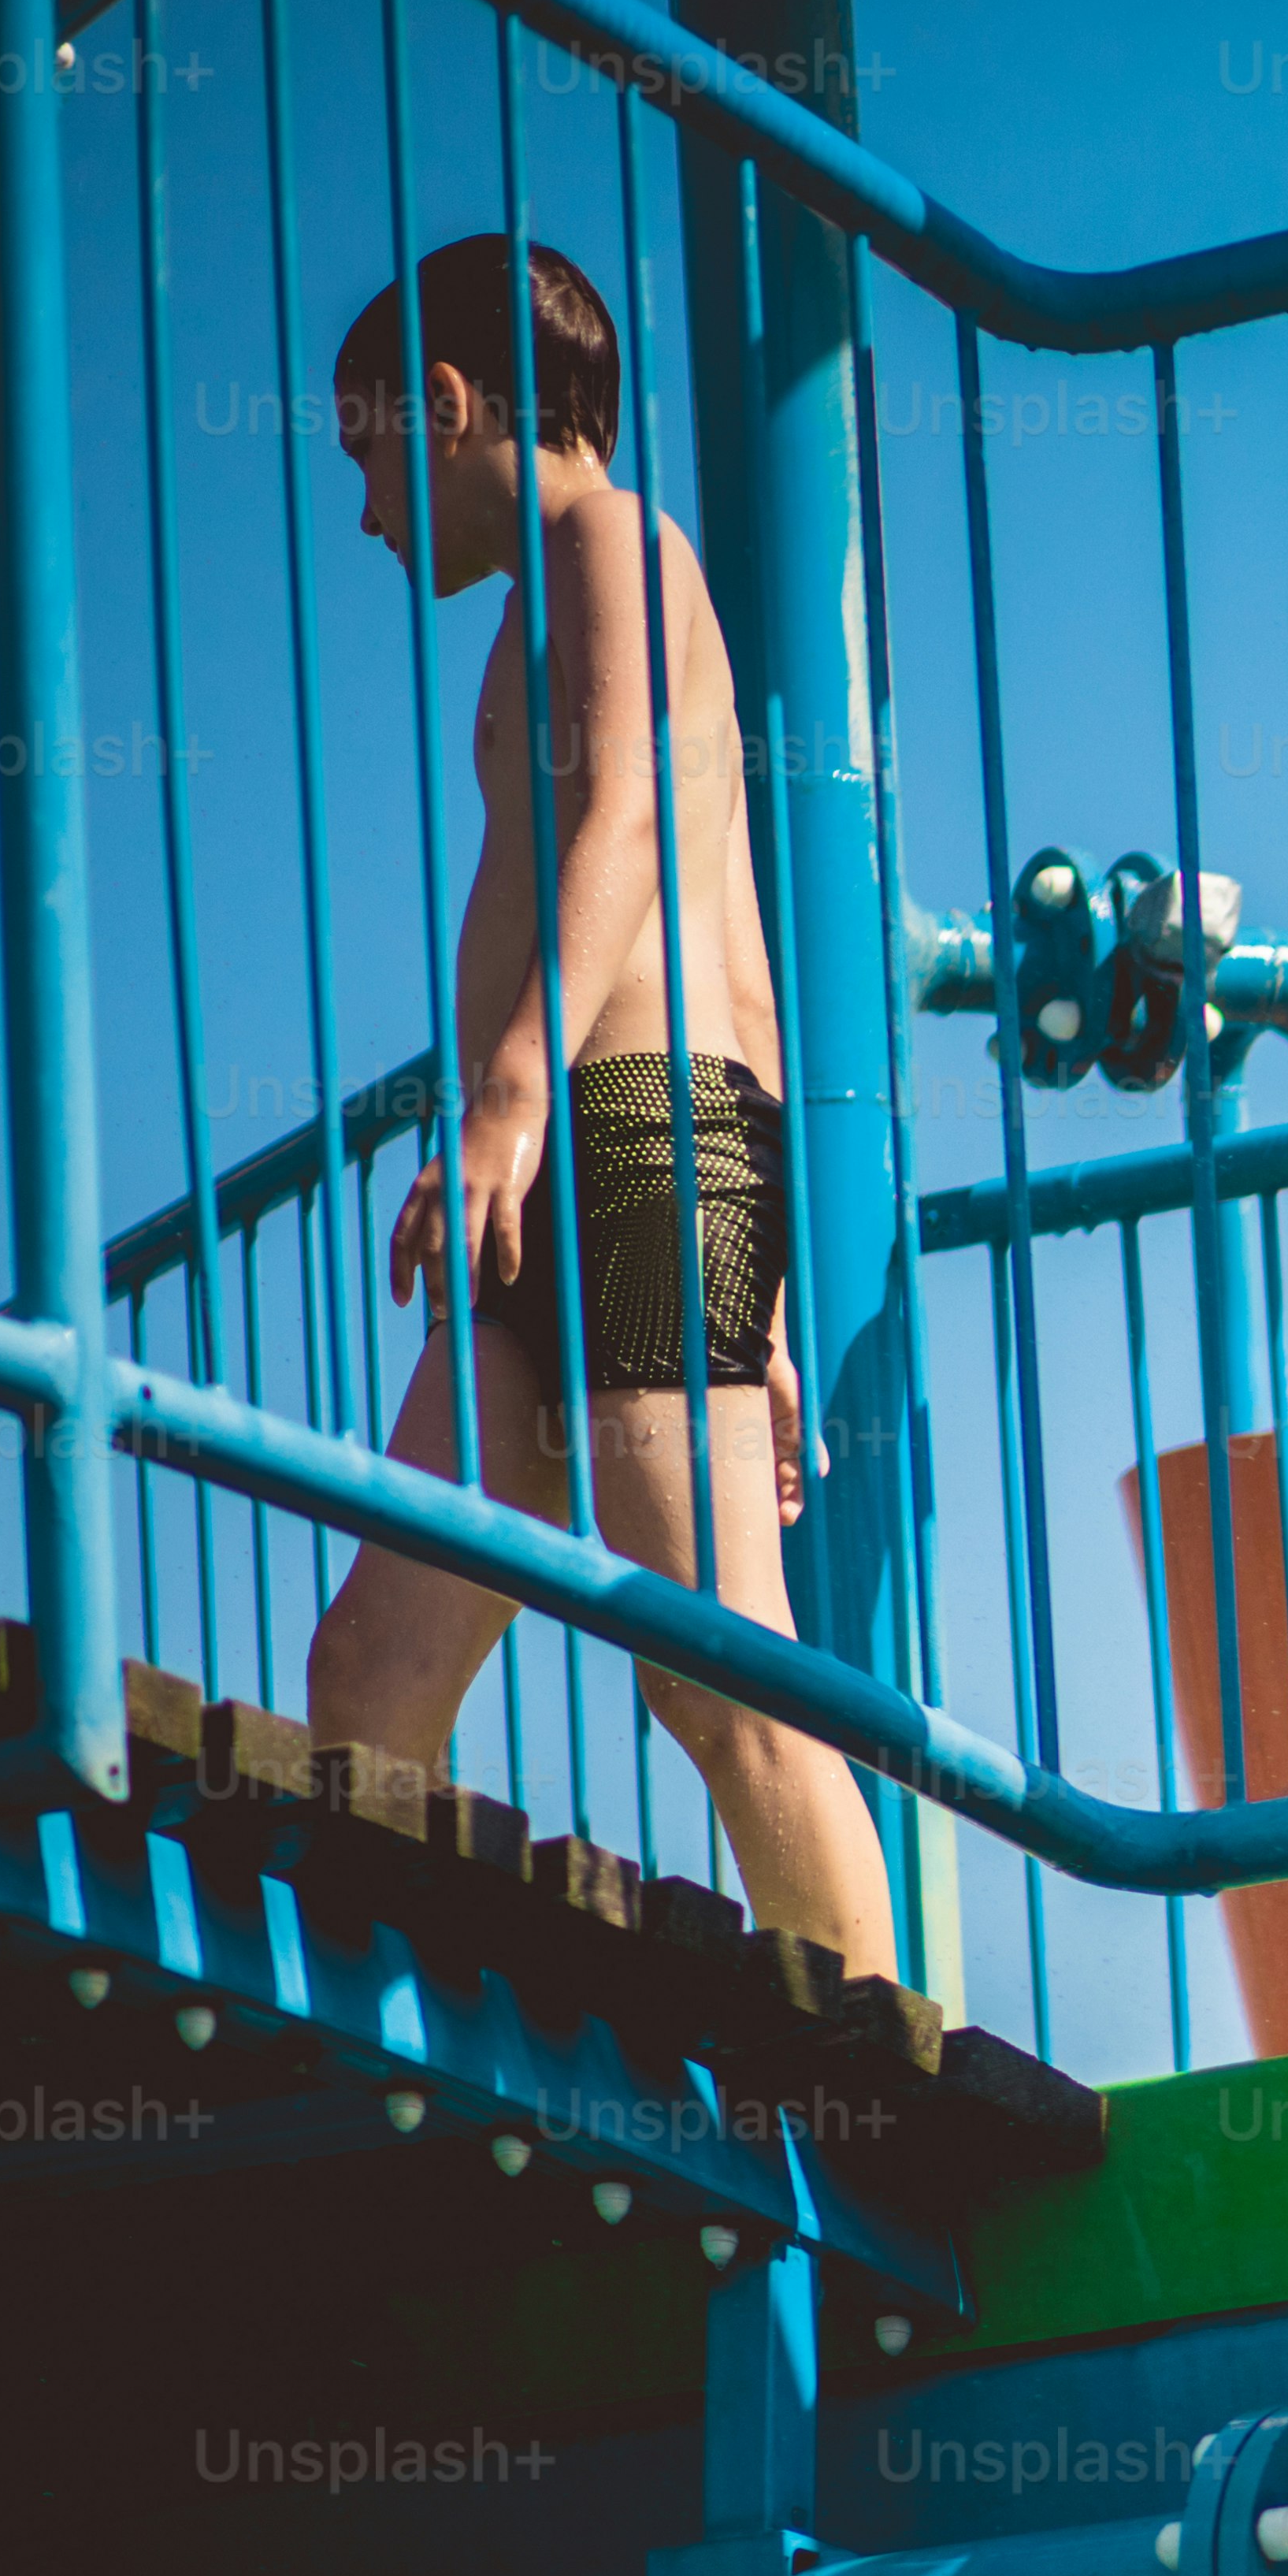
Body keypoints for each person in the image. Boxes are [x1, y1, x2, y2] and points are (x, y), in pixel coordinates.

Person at [306, 235, 899, 1976]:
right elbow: (743, 948)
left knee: (717, 1676)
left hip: (636, 1135)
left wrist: (500, 1103)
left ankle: (890, 2091)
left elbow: (632, 831)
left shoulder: (613, 544)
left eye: (367, 455)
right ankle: (371, 2047)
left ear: (448, 399)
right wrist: (758, 1287)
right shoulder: (528, 615)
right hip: (570, 1156)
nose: (367, 512)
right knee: (370, 1668)